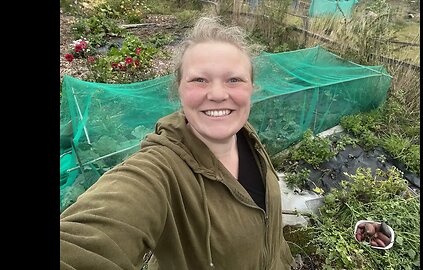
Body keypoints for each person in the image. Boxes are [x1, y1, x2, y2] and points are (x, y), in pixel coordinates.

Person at [60, 16, 296, 270]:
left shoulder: (246, 137)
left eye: (234, 80)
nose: (217, 94)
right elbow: (82, 244)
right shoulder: (160, 170)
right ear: (178, 90)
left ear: (252, 88)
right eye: (199, 80)